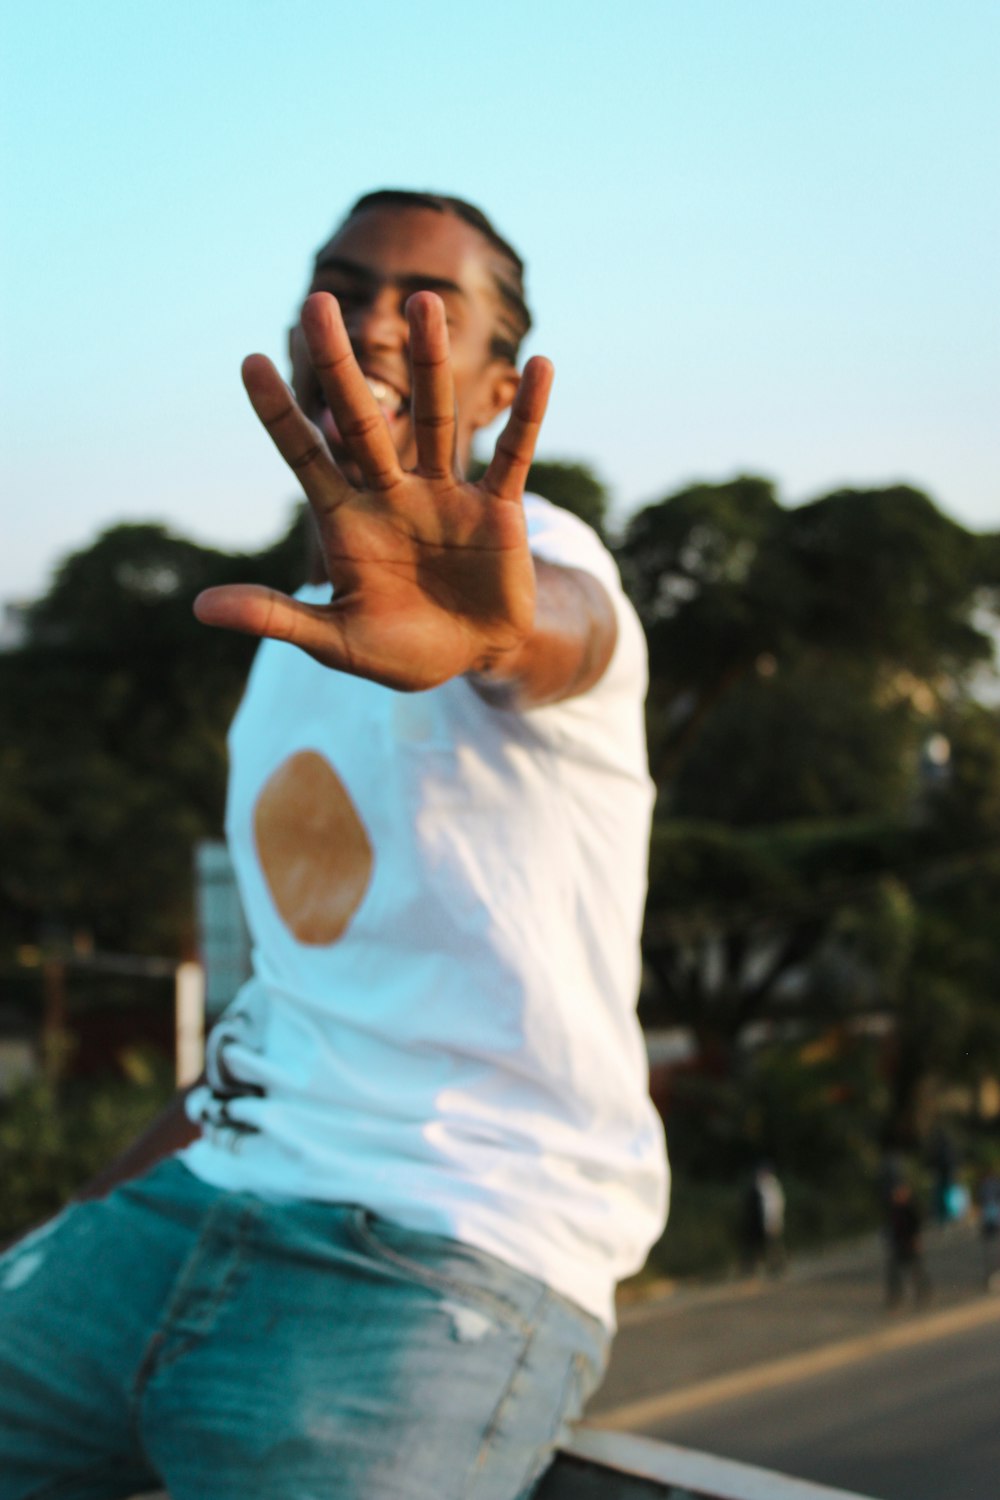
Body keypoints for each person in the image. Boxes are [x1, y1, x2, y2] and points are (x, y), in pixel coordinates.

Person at [0, 190, 669, 1500]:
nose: (367, 321)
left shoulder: (538, 563)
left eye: (424, 304)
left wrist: (494, 635)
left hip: (447, 1245)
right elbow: (296, 1003)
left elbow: (557, 638)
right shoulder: (294, 640)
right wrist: (76, 1227)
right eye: (340, 284)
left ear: (488, 380)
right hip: (189, 1209)